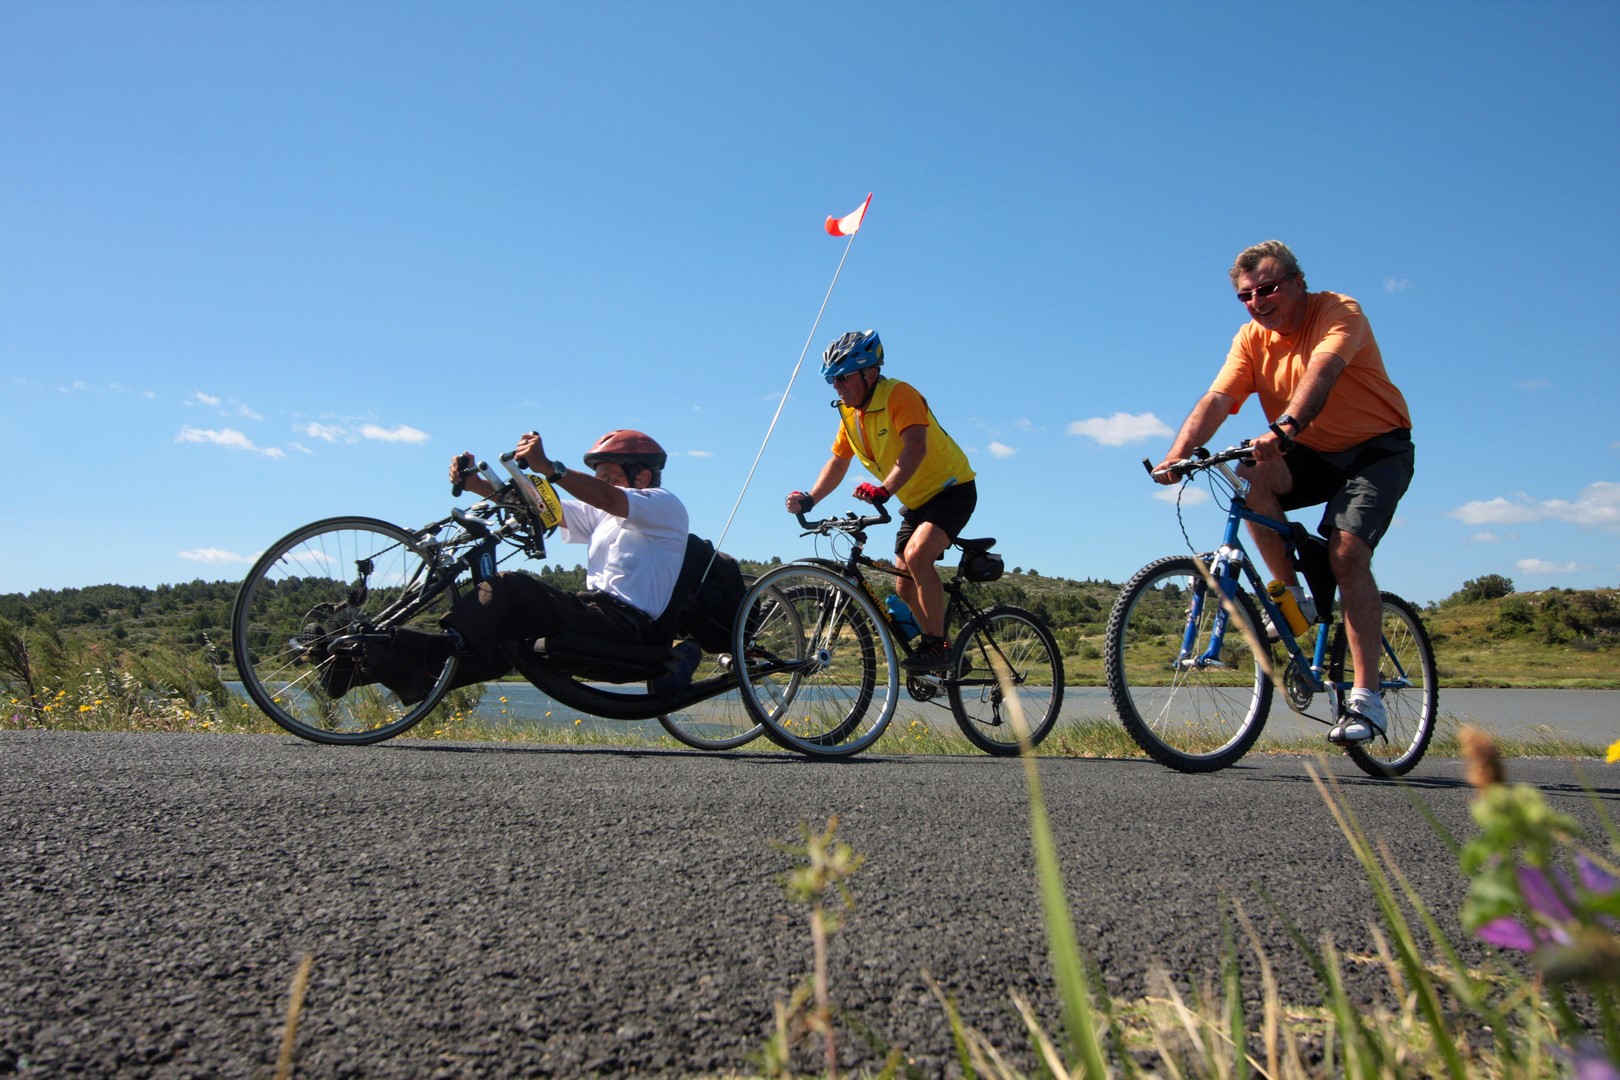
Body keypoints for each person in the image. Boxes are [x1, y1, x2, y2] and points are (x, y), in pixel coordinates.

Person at [1152, 240, 1414, 745]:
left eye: (1268, 289)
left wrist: (1288, 424)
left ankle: (1366, 698)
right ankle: (1293, 596)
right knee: (1247, 478)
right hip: (1311, 450)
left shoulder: (1338, 310)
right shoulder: (1250, 339)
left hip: (1375, 450)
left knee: (1346, 555)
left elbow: (1324, 370)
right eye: (1246, 296)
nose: (1257, 302)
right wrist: (1176, 454)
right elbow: (1220, 397)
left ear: (1298, 283)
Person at [331, 428, 694, 702]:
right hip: (592, 613)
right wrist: (473, 483)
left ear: (642, 476)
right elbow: (539, 506)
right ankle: (359, 669)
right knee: (505, 638)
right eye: (599, 477)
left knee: (510, 586)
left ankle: (433, 657)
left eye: (608, 475)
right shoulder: (603, 516)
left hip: (624, 626)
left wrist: (551, 468)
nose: (601, 483)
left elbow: (608, 497)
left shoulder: (664, 506)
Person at [784, 329, 977, 672]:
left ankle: (937, 647)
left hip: (952, 490)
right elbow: (838, 461)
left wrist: (884, 490)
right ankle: (948, 650)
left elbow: (915, 447)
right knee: (903, 585)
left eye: (843, 378)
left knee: (918, 556)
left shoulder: (899, 395)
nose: (837, 387)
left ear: (870, 373)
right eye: (831, 381)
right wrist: (811, 498)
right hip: (916, 502)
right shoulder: (849, 413)